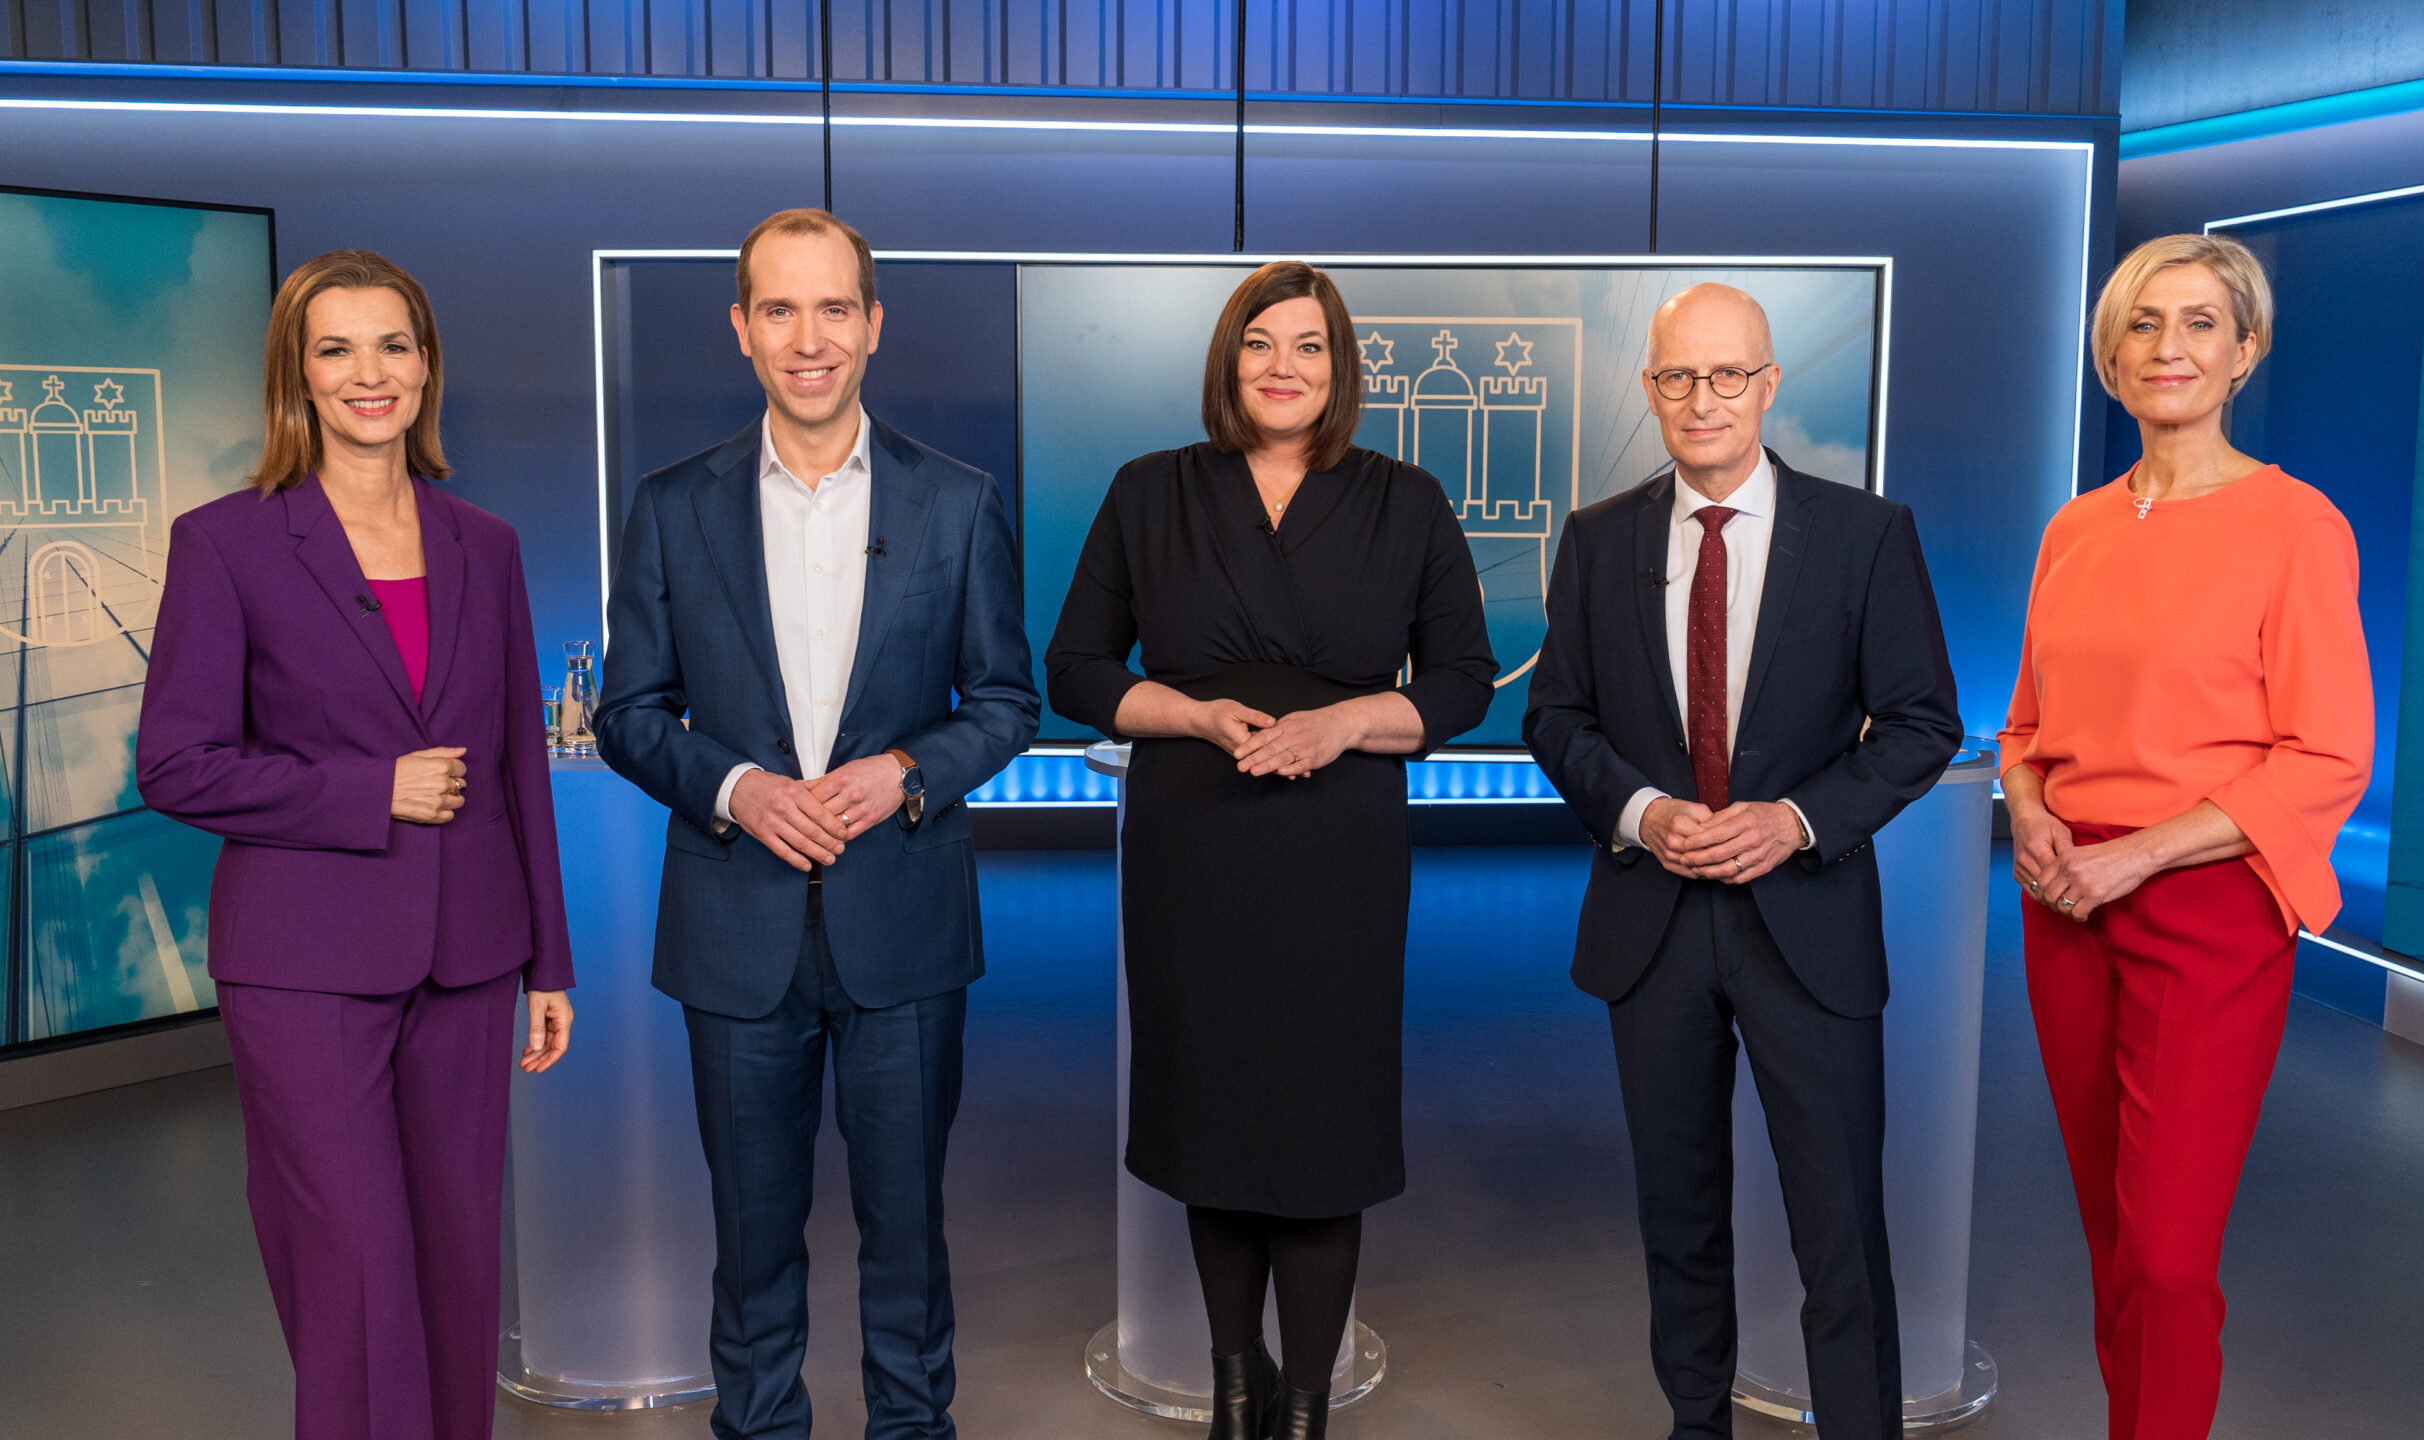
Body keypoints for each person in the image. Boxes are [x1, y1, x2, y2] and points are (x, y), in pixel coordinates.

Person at [594, 208, 1037, 1440]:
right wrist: (738, 790)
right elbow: (631, 713)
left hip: (902, 918)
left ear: (873, 325)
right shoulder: (670, 506)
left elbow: (1006, 699)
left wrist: (906, 768)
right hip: (735, 931)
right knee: (749, 1237)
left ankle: (910, 1427)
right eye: (778, 309)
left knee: (908, 1227)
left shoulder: (956, 503)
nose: (808, 337)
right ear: (739, 329)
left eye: (833, 308)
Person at [1046, 260, 1494, 1440]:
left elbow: (1461, 685)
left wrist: (1346, 723)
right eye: (1258, 343)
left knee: (1322, 1122)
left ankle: (1302, 1405)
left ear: (1341, 368)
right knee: (1215, 1114)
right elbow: (1077, 671)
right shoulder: (1150, 491)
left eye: (1307, 346)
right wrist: (1191, 715)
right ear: (1226, 360)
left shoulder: (1408, 499)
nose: (1281, 368)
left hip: (1338, 855)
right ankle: (1233, 1380)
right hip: (1194, 849)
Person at [135, 249, 574, 1440]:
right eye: (336, 348)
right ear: (298, 374)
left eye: (393, 344)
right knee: (355, 1264)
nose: (369, 372)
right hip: (304, 962)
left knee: (454, 1259)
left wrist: (548, 961)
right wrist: (366, 789)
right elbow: (175, 765)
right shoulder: (226, 541)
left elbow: (517, 766)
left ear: (427, 365)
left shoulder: (483, 542)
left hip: (473, 952)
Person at [1522, 283, 1961, 1440]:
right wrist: (1642, 810)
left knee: (1837, 1225)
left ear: (1769, 385)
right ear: (1651, 387)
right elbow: (1555, 719)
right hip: (1651, 926)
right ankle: (1695, 1426)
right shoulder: (1598, 537)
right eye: (1677, 377)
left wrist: (1797, 821)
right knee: (1678, 1215)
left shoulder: (1867, 534)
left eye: (1726, 376)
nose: (1700, 399)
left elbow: (1921, 722)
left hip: (1803, 923)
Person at [1998, 234, 2371, 1440]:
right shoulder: (2074, 528)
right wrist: (2034, 817)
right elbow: (2025, 724)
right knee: (2114, 1239)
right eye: (2143, 324)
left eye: (2201, 323)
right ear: (2110, 357)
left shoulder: (2294, 525)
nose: (2169, 348)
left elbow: (2324, 754)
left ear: (2246, 352)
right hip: (2066, 906)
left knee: (2165, 1255)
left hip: (2204, 904)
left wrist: (2139, 853)